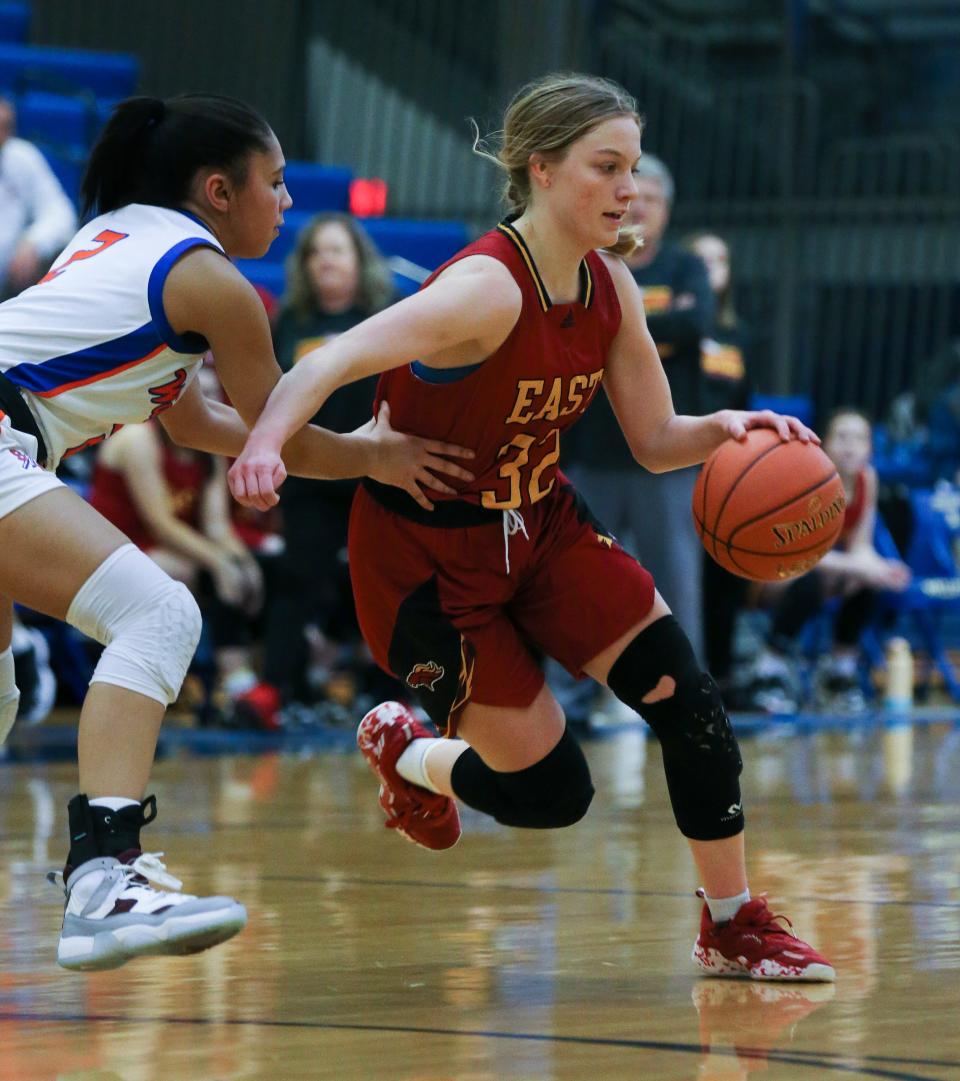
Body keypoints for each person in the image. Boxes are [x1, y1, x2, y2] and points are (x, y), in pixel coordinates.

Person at [230, 73, 835, 982]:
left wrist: (728, 433)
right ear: (542, 169)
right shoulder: (484, 288)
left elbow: (656, 439)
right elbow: (341, 353)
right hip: (427, 561)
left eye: (632, 167)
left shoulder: (610, 284)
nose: (628, 188)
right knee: (556, 793)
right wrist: (267, 445)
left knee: (693, 704)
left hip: (540, 523)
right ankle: (410, 750)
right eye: (607, 166)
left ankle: (732, 922)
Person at [0, 92, 473, 971]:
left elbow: (196, 422)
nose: (288, 202)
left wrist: (366, 454)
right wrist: (372, 452)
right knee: (160, 615)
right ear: (219, 190)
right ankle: (105, 878)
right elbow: (276, 427)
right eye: (277, 182)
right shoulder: (216, 284)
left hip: (18, 442)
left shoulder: (118, 237)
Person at [563, 153, 714, 663]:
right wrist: (656, 323)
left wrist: (618, 331)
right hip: (591, 449)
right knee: (580, 578)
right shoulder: (589, 260)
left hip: (667, 455)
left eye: (653, 199)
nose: (641, 207)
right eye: (635, 197)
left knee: (675, 583)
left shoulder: (687, 266)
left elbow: (695, 328)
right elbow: (578, 332)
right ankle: (574, 698)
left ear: (666, 211)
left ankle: (689, 694)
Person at [259, 212, 395, 715]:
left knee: (385, 585)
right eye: (317, 253)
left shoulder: (389, 315)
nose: (327, 262)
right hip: (310, 474)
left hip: (373, 470)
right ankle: (277, 688)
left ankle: (391, 690)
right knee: (297, 579)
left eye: (337, 251)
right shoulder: (292, 323)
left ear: (359, 260)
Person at [87, 409, 265, 714]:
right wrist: (219, 563)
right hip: (112, 546)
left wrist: (243, 563)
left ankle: (244, 683)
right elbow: (161, 524)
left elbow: (217, 527)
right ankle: (225, 679)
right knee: (193, 573)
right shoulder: (137, 439)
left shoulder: (208, 448)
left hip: (169, 548)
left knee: (252, 571)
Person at [740, 409, 912, 714]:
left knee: (869, 581)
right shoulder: (810, 480)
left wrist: (883, 569)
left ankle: (839, 674)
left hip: (826, 572)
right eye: (842, 437)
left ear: (870, 449)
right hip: (777, 573)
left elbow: (860, 547)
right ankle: (768, 670)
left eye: (859, 438)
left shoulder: (866, 478)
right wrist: (860, 567)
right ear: (824, 443)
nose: (850, 445)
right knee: (813, 580)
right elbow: (799, 558)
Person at [684, 232, 752, 691]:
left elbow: (745, 401)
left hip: (724, 470)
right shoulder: (671, 327)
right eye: (702, 262)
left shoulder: (736, 335)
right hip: (672, 462)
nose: (713, 271)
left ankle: (722, 678)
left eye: (721, 261)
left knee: (726, 570)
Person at [0, 96, 77, 298]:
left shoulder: (21, 156)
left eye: (7, 127)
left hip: (10, 287)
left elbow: (61, 213)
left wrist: (34, 242)